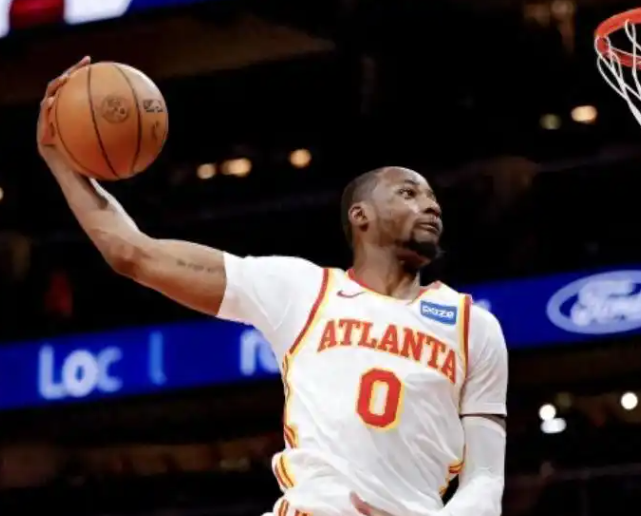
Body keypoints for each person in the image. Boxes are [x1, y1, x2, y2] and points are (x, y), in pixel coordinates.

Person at [37, 58, 508, 516]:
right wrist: (59, 160)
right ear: (360, 216)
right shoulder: (302, 290)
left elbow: (486, 480)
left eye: (432, 197)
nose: (430, 205)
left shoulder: (474, 327)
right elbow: (134, 253)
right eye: (409, 193)